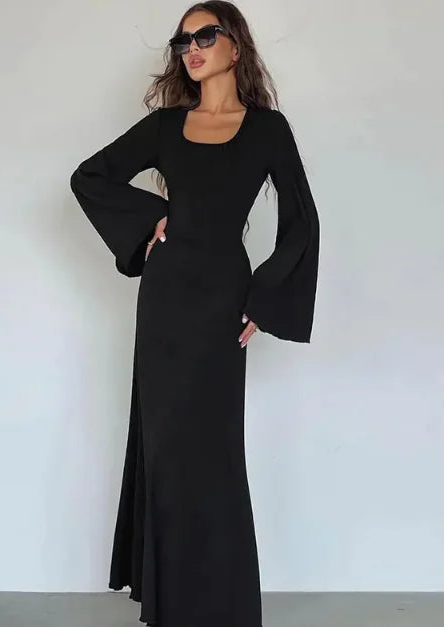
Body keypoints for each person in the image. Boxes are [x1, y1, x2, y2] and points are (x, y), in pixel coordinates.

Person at [69, 2, 320, 626]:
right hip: (165, 303)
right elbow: (89, 178)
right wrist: (148, 220)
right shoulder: (164, 127)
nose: (193, 48)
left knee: (212, 453)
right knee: (165, 449)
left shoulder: (267, 130)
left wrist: (264, 298)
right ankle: (170, 607)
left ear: (236, 45)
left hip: (221, 304)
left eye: (206, 35)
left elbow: (301, 221)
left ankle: (221, 608)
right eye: (184, 41)